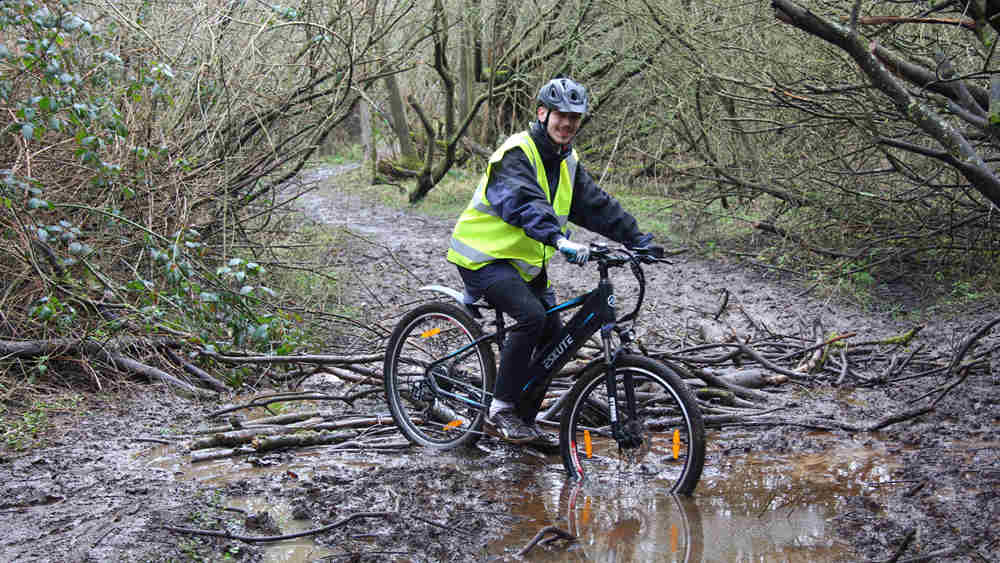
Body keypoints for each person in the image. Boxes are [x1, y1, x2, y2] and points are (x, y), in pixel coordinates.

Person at [446, 77, 653, 447]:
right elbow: (525, 202)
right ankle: (502, 409)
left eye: (575, 118)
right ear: (542, 114)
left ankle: (524, 420)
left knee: (555, 336)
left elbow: (596, 206)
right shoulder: (516, 153)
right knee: (532, 317)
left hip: (524, 265)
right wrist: (559, 240)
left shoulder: (567, 161)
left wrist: (638, 239)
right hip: (482, 256)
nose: (568, 124)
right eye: (561, 115)